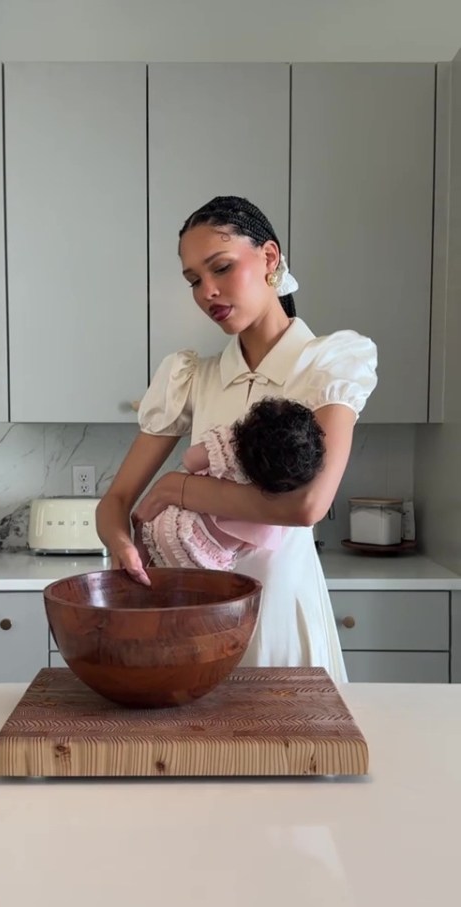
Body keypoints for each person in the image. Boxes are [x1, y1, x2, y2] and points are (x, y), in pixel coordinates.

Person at [97, 195, 378, 682]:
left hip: (281, 617)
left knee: (287, 752)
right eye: (193, 280)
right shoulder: (190, 377)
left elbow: (306, 505)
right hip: (199, 620)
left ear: (269, 259)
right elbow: (116, 500)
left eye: (221, 268)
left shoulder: (327, 365)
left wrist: (173, 488)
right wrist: (121, 543)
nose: (208, 291)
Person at [134, 397, 326, 572]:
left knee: (142, 530)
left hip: (177, 530)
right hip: (210, 560)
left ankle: (139, 565)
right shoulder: (275, 509)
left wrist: (227, 438)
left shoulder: (228, 451)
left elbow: (190, 460)